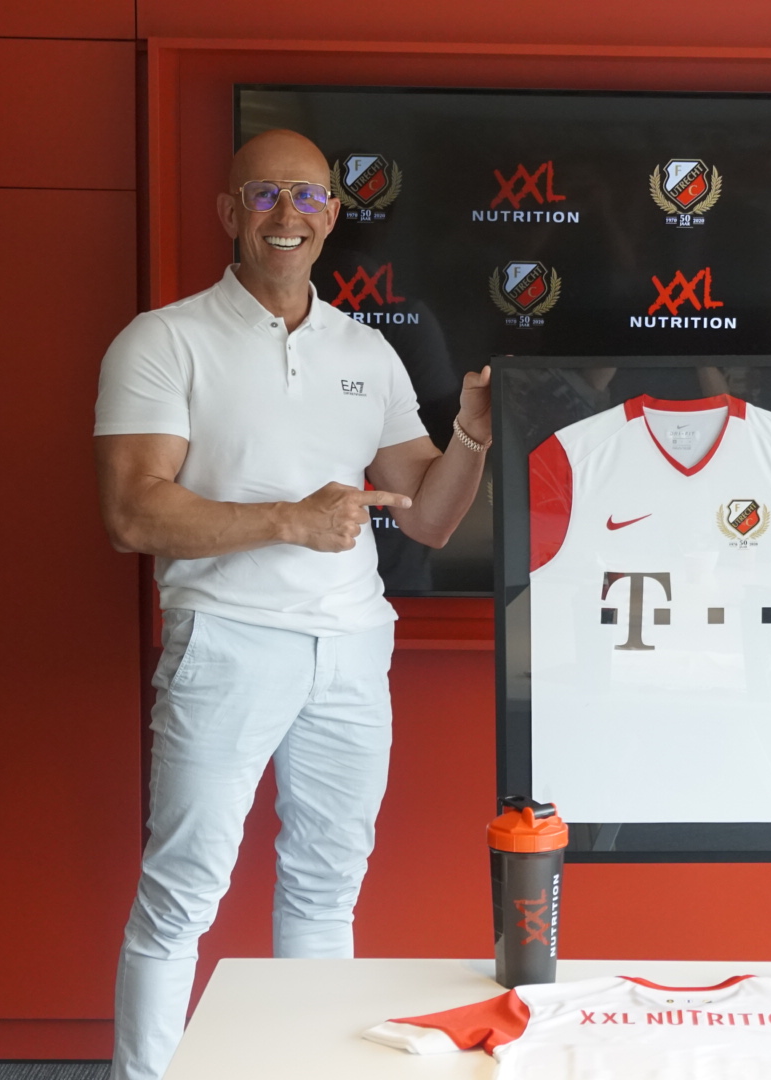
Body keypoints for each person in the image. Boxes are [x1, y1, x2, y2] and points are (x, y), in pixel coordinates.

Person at [92, 128, 493, 1080]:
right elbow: (130, 513)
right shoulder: (163, 339)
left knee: (326, 893)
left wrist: (471, 439)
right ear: (229, 211)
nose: (288, 215)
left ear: (333, 215)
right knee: (182, 894)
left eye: (308, 196)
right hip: (227, 643)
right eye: (266, 194)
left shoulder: (367, 350)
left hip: (351, 650)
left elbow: (431, 516)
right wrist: (290, 520)